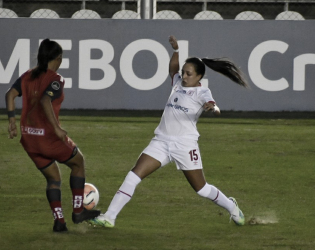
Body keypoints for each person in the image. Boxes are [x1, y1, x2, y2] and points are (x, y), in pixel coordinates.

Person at [89, 35, 248, 228]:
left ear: (199, 77)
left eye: (189, 74)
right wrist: (176, 51)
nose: (185, 76)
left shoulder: (202, 93)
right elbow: (173, 69)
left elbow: (216, 108)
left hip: (185, 144)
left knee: (201, 189)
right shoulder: (178, 82)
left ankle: (231, 207)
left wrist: (212, 108)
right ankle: (109, 217)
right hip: (162, 141)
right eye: (184, 72)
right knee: (133, 176)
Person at [5, 38, 100, 233]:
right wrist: (57, 129)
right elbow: (45, 101)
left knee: (53, 179)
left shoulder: (27, 76)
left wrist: (12, 122)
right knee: (78, 162)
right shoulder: (56, 79)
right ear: (58, 58)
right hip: (48, 138)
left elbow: (9, 95)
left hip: (29, 139)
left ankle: (59, 222)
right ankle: (78, 211)